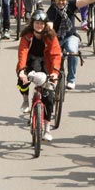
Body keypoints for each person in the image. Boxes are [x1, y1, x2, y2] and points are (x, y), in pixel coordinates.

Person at [16, 10, 61, 140]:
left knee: (49, 97)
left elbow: (56, 55)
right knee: (22, 82)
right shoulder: (27, 36)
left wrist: (54, 73)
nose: (39, 26)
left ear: (45, 24)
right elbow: (22, 53)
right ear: (33, 23)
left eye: (42, 23)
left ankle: (47, 129)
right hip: (30, 63)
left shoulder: (51, 36)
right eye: (37, 23)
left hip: (46, 64)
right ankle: (25, 101)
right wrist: (21, 71)